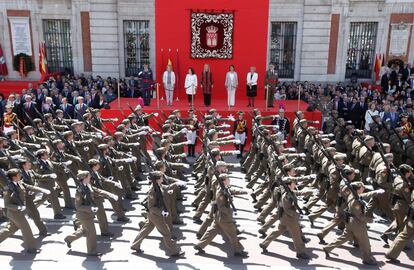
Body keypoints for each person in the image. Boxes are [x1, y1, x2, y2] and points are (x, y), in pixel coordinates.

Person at [64, 171, 102, 256]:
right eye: (88, 177)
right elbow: (78, 206)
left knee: (85, 230)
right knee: (91, 233)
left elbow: (95, 193)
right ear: (84, 178)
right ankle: (92, 251)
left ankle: (69, 238)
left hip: (88, 214)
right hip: (84, 215)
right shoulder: (79, 191)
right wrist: (90, 208)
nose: (90, 178)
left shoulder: (88, 186)